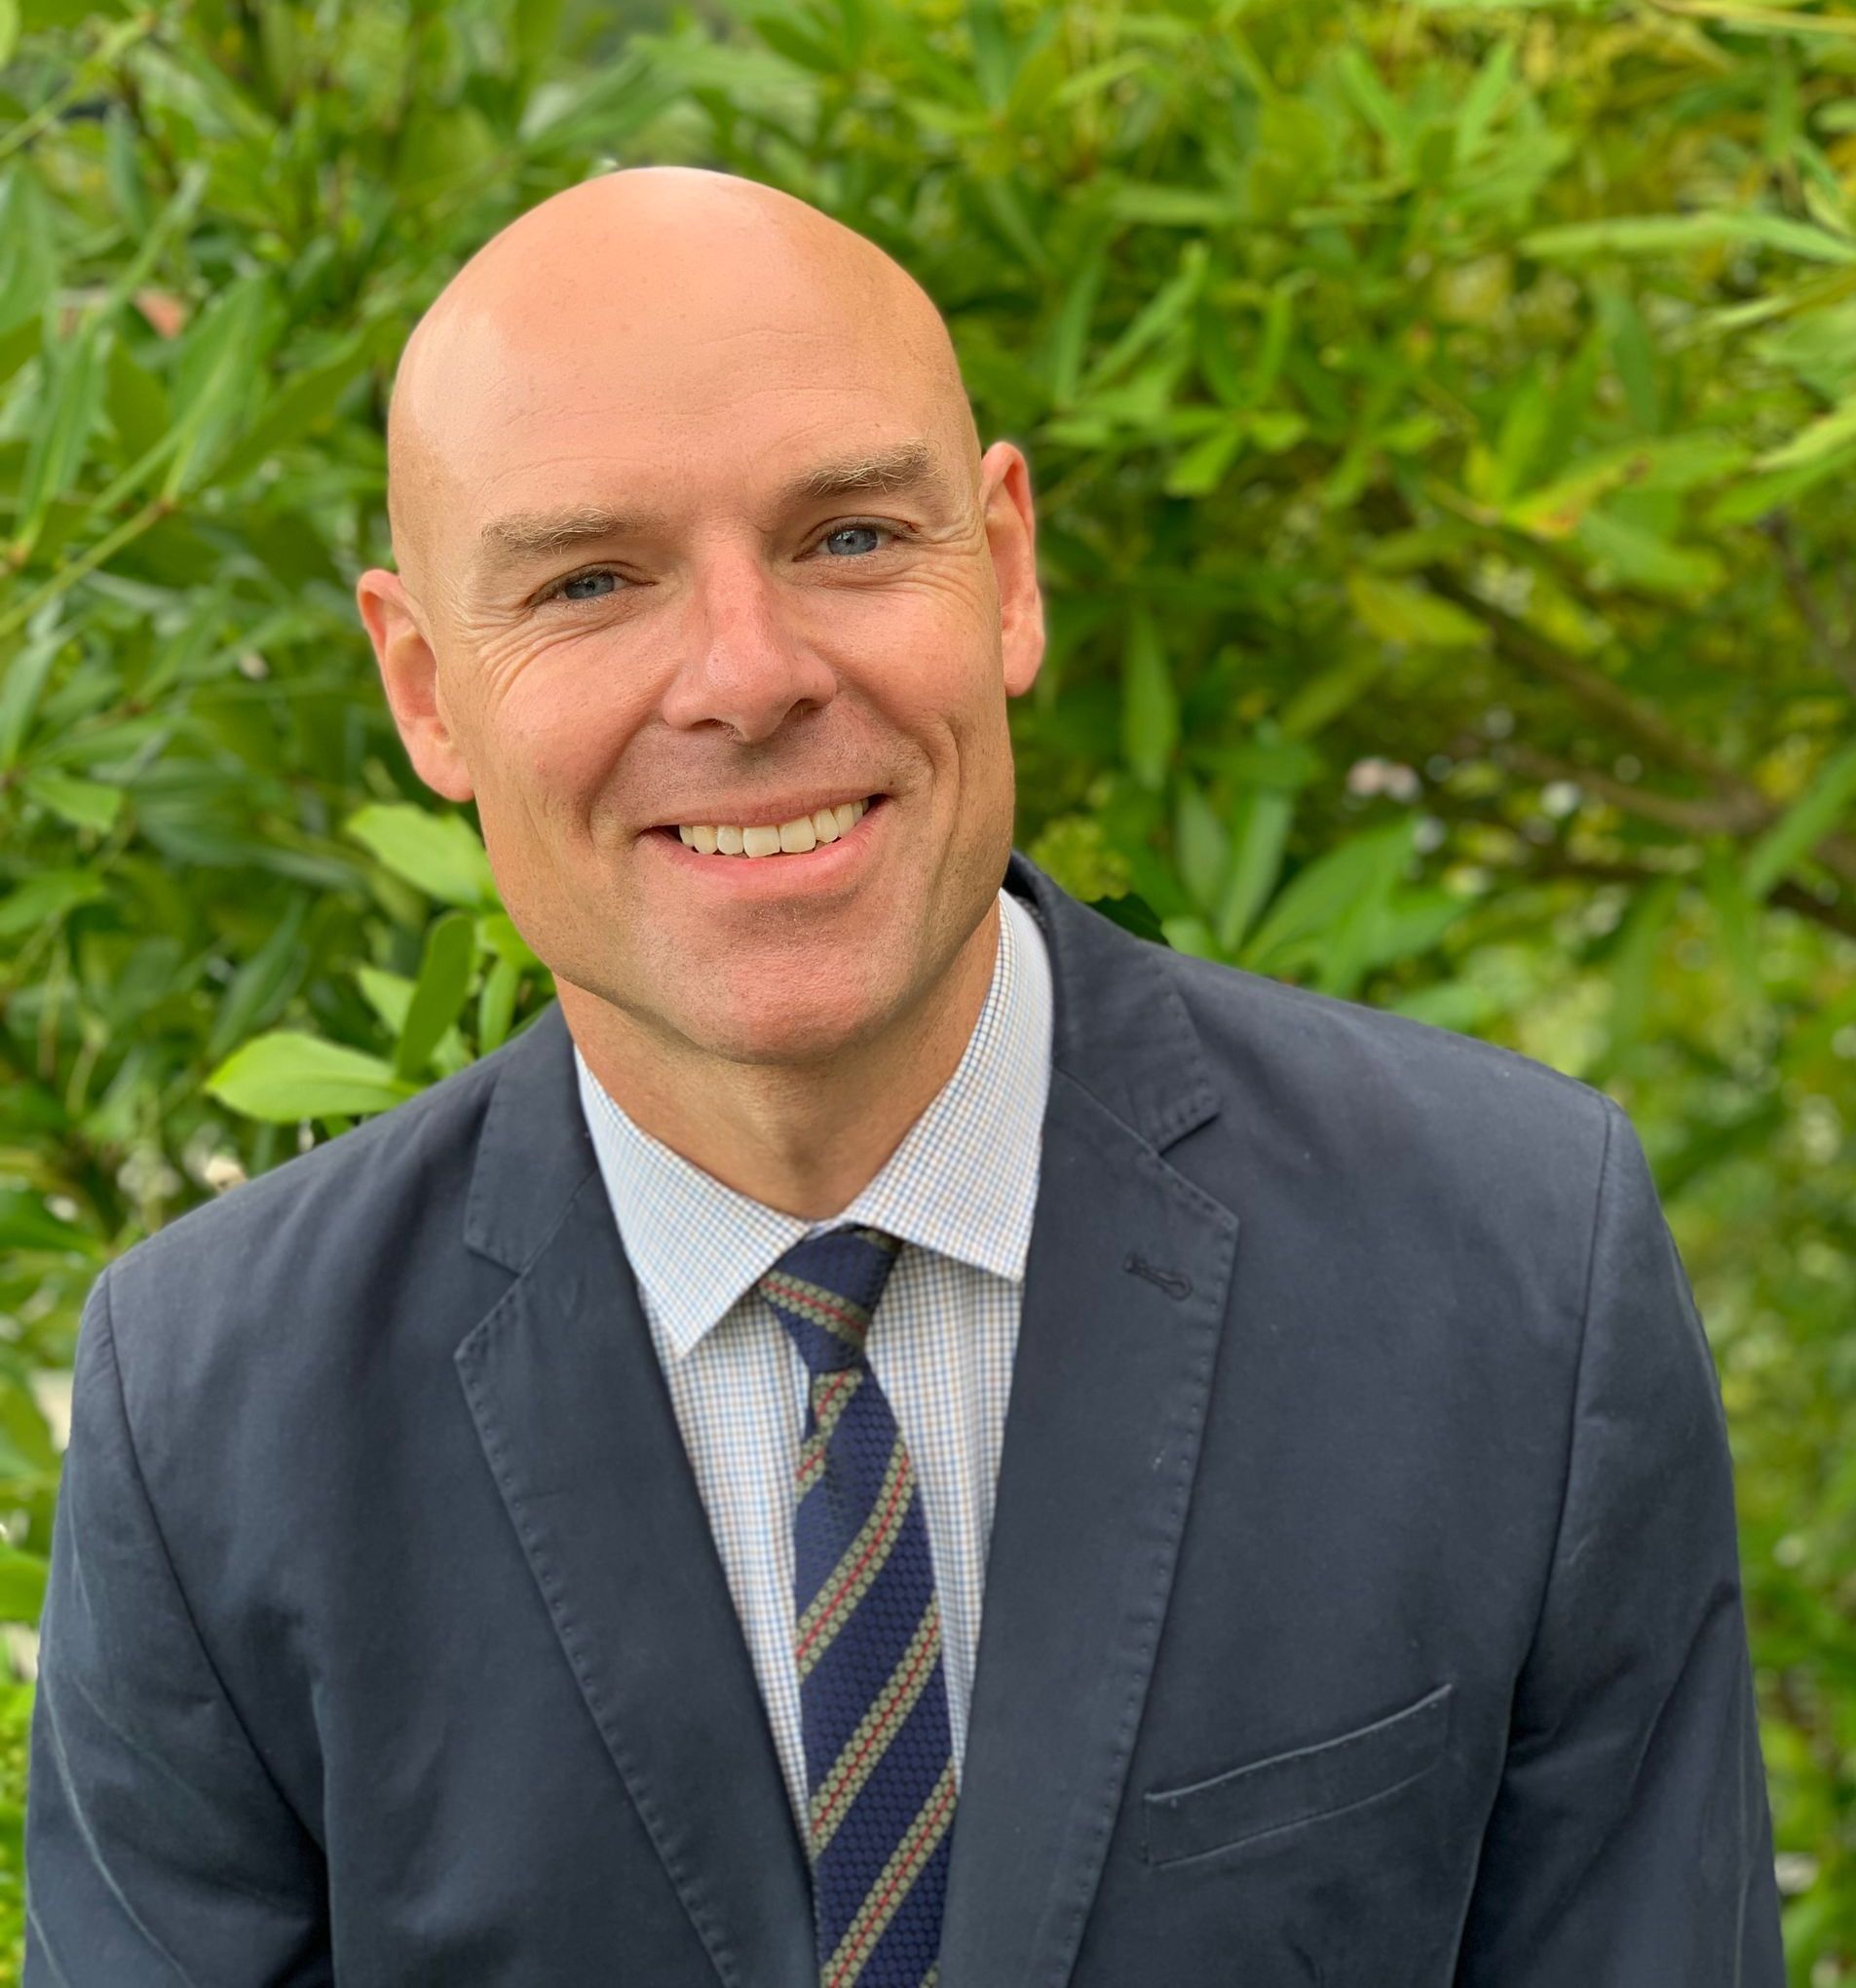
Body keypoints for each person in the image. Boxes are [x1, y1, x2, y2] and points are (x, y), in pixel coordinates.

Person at [23, 166, 1784, 1986]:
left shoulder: (1510, 1268)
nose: (745, 675)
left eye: (848, 539)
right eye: (591, 579)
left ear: (1005, 569)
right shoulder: (210, 1416)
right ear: (425, 688)